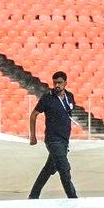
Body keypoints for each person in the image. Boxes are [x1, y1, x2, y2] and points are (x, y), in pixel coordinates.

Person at [28, 71, 80, 199]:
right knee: (64, 169)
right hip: (52, 139)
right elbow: (33, 115)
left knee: (48, 169)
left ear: (65, 83)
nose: (57, 85)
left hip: (64, 139)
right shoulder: (47, 98)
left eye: (60, 83)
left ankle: (33, 196)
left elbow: (68, 113)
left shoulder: (70, 96)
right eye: (55, 83)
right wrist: (33, 136)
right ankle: (73, 198)